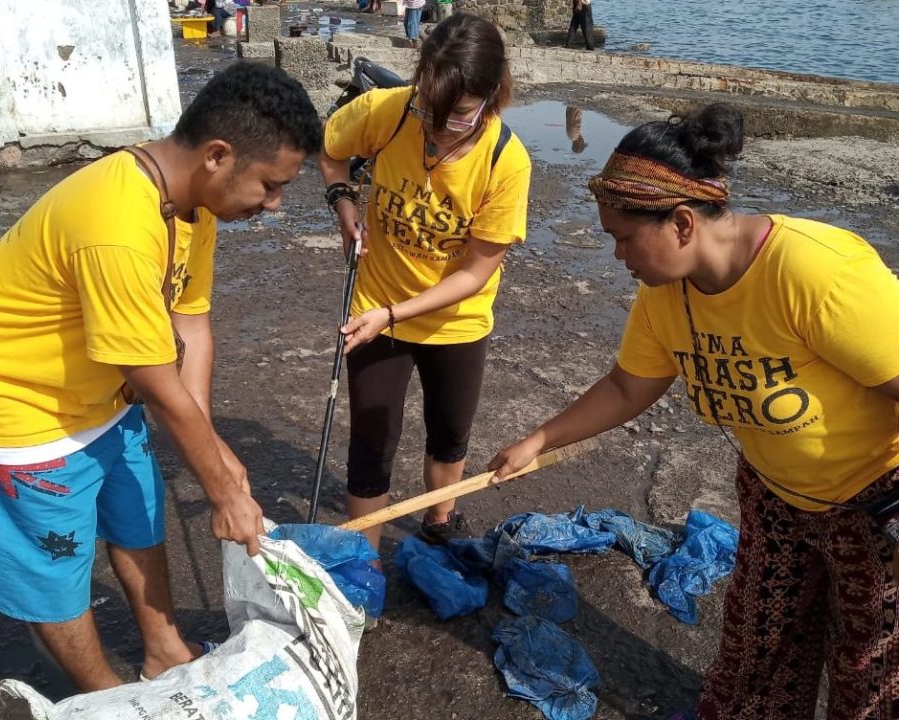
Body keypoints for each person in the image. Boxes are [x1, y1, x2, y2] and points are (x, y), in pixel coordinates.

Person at [489, 103, 899, 718]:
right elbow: (629, 387)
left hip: (876, 507)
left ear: (682, 223)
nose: (618, 256)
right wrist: (540, 440)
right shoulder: (665, 296)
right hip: (776, 497)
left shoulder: (814, 272)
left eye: (624, 238)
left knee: (870, 680)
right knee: (757, 664)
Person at [0, 62, 321, 692]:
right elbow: (153, 379)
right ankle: (106, 696)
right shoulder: (118, 226)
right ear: (218, 156)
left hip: (97, 382)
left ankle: (164, 648)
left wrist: (217, 450)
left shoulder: (190, 206)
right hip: (7, 391)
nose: (274, 206)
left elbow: (190, 325)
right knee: (53, 561)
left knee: (138, 509)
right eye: (270, 186)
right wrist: (223, 489)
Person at [319, 13, 531, 551]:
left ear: (492, 96)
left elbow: (476, 272)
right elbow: (330, 152)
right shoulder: (389, 112)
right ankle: (364, 562)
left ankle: (439, 524)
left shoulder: (507, 163)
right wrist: (343, 202)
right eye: (428, 110)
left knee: (450, 433)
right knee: (371, 439)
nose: (435, 129)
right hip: (376, 305)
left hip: (455, 321)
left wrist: (393, 315)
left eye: (457, 116)